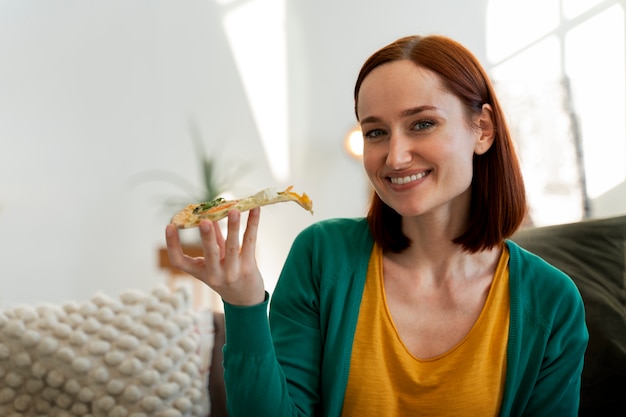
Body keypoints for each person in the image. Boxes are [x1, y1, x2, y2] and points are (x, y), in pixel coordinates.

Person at [165, 34, 589, 416]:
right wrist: (242, 303)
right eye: (376, 132)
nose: (395, 156)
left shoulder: (551, 302)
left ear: (482, 129)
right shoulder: (321, 255)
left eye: (422, 124)